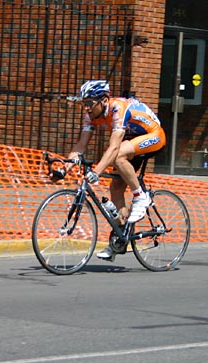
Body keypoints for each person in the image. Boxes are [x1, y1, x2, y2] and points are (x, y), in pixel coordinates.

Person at [66, 80, 166, 260]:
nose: (86, 108)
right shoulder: (91, 115)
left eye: (89, 103)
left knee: (118, 154)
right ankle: (119, 240)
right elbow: (81, 145)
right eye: (83, 104)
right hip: (132, 138)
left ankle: (140, 197)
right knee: (116, 189)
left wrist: (96, 172)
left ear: (104, 100)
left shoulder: (118, 108)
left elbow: (113, 148)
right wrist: (64, 166)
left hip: (153, 135)